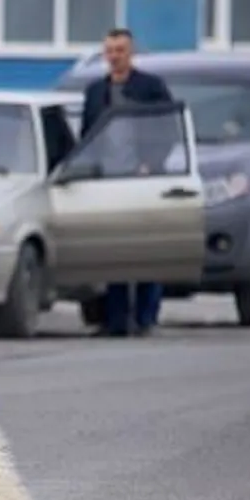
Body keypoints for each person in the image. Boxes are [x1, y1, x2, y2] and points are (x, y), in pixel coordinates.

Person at [80, 27, 174, 337]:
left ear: (131, 53)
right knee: (113, 252)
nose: (114, 57)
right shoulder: (96, 91)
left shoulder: (150, 87)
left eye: (120, 50)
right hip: (107, 182)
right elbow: (87, 135)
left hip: (143, 180)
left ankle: (146, 318)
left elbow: (168, 129)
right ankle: (116, 320)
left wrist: (151, 163)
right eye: (109, 51)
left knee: (146, 250)